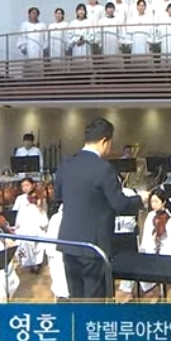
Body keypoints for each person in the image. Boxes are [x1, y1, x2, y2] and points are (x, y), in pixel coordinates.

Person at [55, 118, 144, 299]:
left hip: (69, 244)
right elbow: (120, 204)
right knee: (95, 300)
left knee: (76, 298)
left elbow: (58, 196)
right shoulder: (104, 168)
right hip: (93, 248)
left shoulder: (66, 164)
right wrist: (140, 199)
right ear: (104, 141)